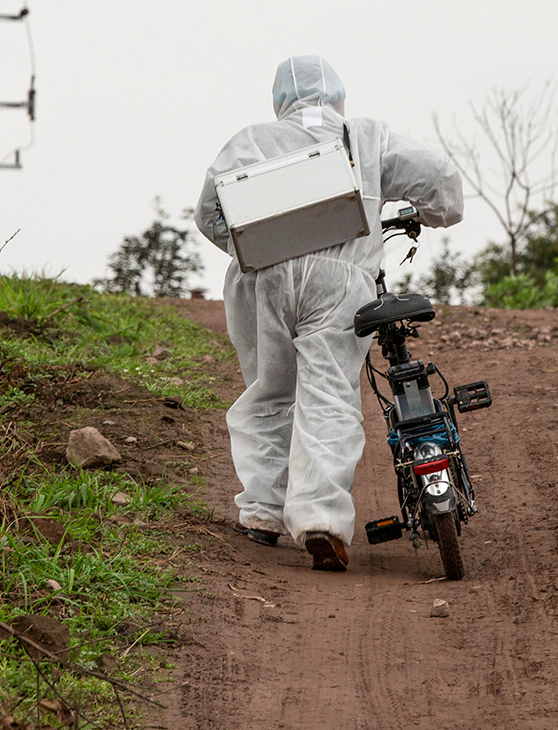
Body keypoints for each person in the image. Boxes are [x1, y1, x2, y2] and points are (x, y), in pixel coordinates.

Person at [194, 56, 464, 571]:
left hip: (262, 277)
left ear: (279, 104)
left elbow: (210, 213)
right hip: (339, 281)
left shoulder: (249, 141)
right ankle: (319, 519)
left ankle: (262, 514)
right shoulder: (366, 136)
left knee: (269, 391)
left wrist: (256, 250)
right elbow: (442, 182)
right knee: (328, 393)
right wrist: (432, 213)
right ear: (338, 96)